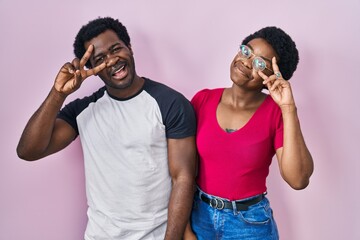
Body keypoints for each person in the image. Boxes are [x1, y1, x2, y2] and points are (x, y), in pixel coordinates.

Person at [16, 17, 197, 240]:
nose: (112, 60)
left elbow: (184, 178)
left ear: (129, 48)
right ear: (91, 69)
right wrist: (59, 93)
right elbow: (28, 151)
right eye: (100, 58)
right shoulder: (83, 111)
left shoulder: (170, 103)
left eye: (116, 49)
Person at [185, 26, 314, 239]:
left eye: (260, 63)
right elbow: (181, 167)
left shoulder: (277, 114)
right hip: (199, 215)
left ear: (272, 77)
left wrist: (288, 108)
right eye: (247, 52)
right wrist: (185, 228)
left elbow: (298, 179)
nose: (246, 62)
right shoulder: (202, 100)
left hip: (249, 225)